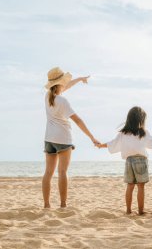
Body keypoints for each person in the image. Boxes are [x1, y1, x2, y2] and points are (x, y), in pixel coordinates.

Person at [97, 106, 152, 215]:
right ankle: (141, 211)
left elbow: (111, 144)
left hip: (128, 161)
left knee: (130, 186)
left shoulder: (123, 133)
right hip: (140, 160)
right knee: (141, 186)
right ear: (141, 119)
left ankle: (128, 210)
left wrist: (100, 145)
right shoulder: (142, 132)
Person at [43, 67, 99, 208]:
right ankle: (63, 204)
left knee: (48, 173)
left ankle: (46, 204)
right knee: (62, 172)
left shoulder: (47, 96)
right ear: (61, 82)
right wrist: (92, 137)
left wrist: (80, 79)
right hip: (63, 139)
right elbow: (78, 121)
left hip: (49, 138)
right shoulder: (63, 101)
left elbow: (66, 87)